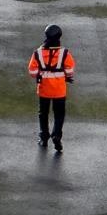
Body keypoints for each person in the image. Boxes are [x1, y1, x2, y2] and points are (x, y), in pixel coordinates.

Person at [28, 25, 76, 153]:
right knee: (59, 114)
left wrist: (40, 74)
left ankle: (44, 138)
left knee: (43, 113)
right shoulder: (64, 53)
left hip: (44, 89)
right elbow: (70, 71)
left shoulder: (38, 52)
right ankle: (56, 135)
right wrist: (63, 75)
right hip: (59, 89)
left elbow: (32, 71)